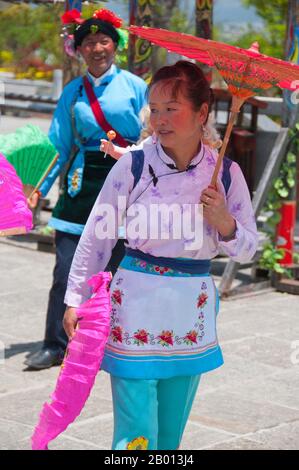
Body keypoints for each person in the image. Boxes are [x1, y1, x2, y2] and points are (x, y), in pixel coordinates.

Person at [63, 60, 258, 450]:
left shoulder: (226, 175)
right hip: (134, 301)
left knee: (170, 433)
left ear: (202, 113)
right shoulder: (133, 165)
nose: (160, 119)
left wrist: (223, 221)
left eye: (172, 108)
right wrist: (77, 299)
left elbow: (248, 248)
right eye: (155, 109)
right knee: (135, 435)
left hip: (191, 308)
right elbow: (97, 236)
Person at [25, 8, 147, 370]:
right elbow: (58, 144)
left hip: (126, 176)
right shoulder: (73, 92)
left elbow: (150, 136)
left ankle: (112, 343)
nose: (97, 48)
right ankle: (55, 344)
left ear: (115, 45)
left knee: (119, 269)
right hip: (82, 182)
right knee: (66, 268)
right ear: (78, 49)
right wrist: (38, 189)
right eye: (89, 42)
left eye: (104, 40)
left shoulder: (137, 88)